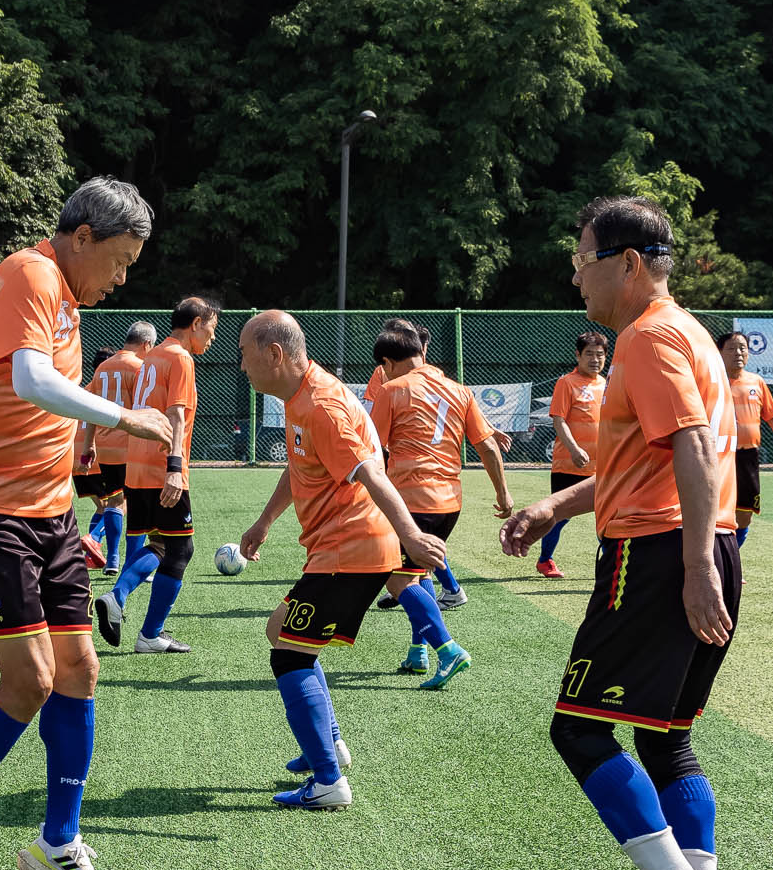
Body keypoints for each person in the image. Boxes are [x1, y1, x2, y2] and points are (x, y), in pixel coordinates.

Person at [0, 178, 173, 870]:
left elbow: (46, 409)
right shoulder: (29, 273)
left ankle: (58, 842)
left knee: (80, 668)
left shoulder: (67, 297)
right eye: (120, 260)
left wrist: (78, 476)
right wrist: (124, 422)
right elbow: (31, 380)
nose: (122, 279)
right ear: (82, 236)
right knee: (28, 678)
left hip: (49, 514)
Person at [502, 197, 739, 870]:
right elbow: (643, 458)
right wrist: (555, 504)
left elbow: (695, 448)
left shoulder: (648, 337)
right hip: (704, 544)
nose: (577, 278)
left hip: (661, 554)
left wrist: (694, 564)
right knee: (667, 738)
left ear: (629, 263)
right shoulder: (690, 333)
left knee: (577, 726)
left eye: (584, 261)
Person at [237, 311, 448, 811]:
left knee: (289, 653)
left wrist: (412, 536)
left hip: (350, 548)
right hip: (338, 547)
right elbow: (302, 466)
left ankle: (329, 780)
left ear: (274, 354)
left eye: (245, 353)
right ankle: (328, 745)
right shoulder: (300, 397)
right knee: (280, 633)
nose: (240, 364)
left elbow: (372, 474)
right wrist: (265, 521)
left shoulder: (322, 406)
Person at [364, 318, 512, 687]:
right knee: (418, 573)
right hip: (449, 502)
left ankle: (447, 650)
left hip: (411, 500)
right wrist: (503, 493)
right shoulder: (459, 390)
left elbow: (373, 450)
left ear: (386, 362)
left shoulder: (391, 390)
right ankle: (418, 653)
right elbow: (489, 445)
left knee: (395, 579)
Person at [98, 297, 220, 654]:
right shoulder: (181, 358)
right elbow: (176, 416)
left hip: (136, 466)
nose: (212, 338)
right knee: (181, 549)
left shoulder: (151, 357)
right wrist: (174, 468)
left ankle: (119, 600)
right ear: (196, 323)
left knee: (162, 544)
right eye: (211, 329)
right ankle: (148, 631)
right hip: (162, 465)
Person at [79, 326, 156, 573]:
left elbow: (89, 407)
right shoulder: (139, 368)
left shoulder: (103, 368)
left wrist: (89, 443)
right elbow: (143, 410)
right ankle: (128, 564)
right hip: (131, 445)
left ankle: (112, 559)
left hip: (105, 447)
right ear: (146, 344)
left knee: (114, 499)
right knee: (137, 504)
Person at [535, 330, 608, 579]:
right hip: (569, 465)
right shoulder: (567, 383)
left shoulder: (608, 384)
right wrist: (575, 449)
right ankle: (545, 560)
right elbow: (559, 419)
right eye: (589, 354)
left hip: (604, 467)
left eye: (600, 355)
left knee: (608, 514)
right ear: (578, 355)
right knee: (559, 516)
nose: (595, 360)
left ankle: (610, 562)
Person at [718, 330, 773, 544]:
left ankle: (732, 562)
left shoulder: (756, 382)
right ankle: (715, 565)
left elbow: (772, 416)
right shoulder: (711, 382)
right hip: (718, 455)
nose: (738, 353)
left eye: (742, 348)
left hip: (748, 456)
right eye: (732, 348)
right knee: (715, 510)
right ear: (719, 352)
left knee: (744, 514)